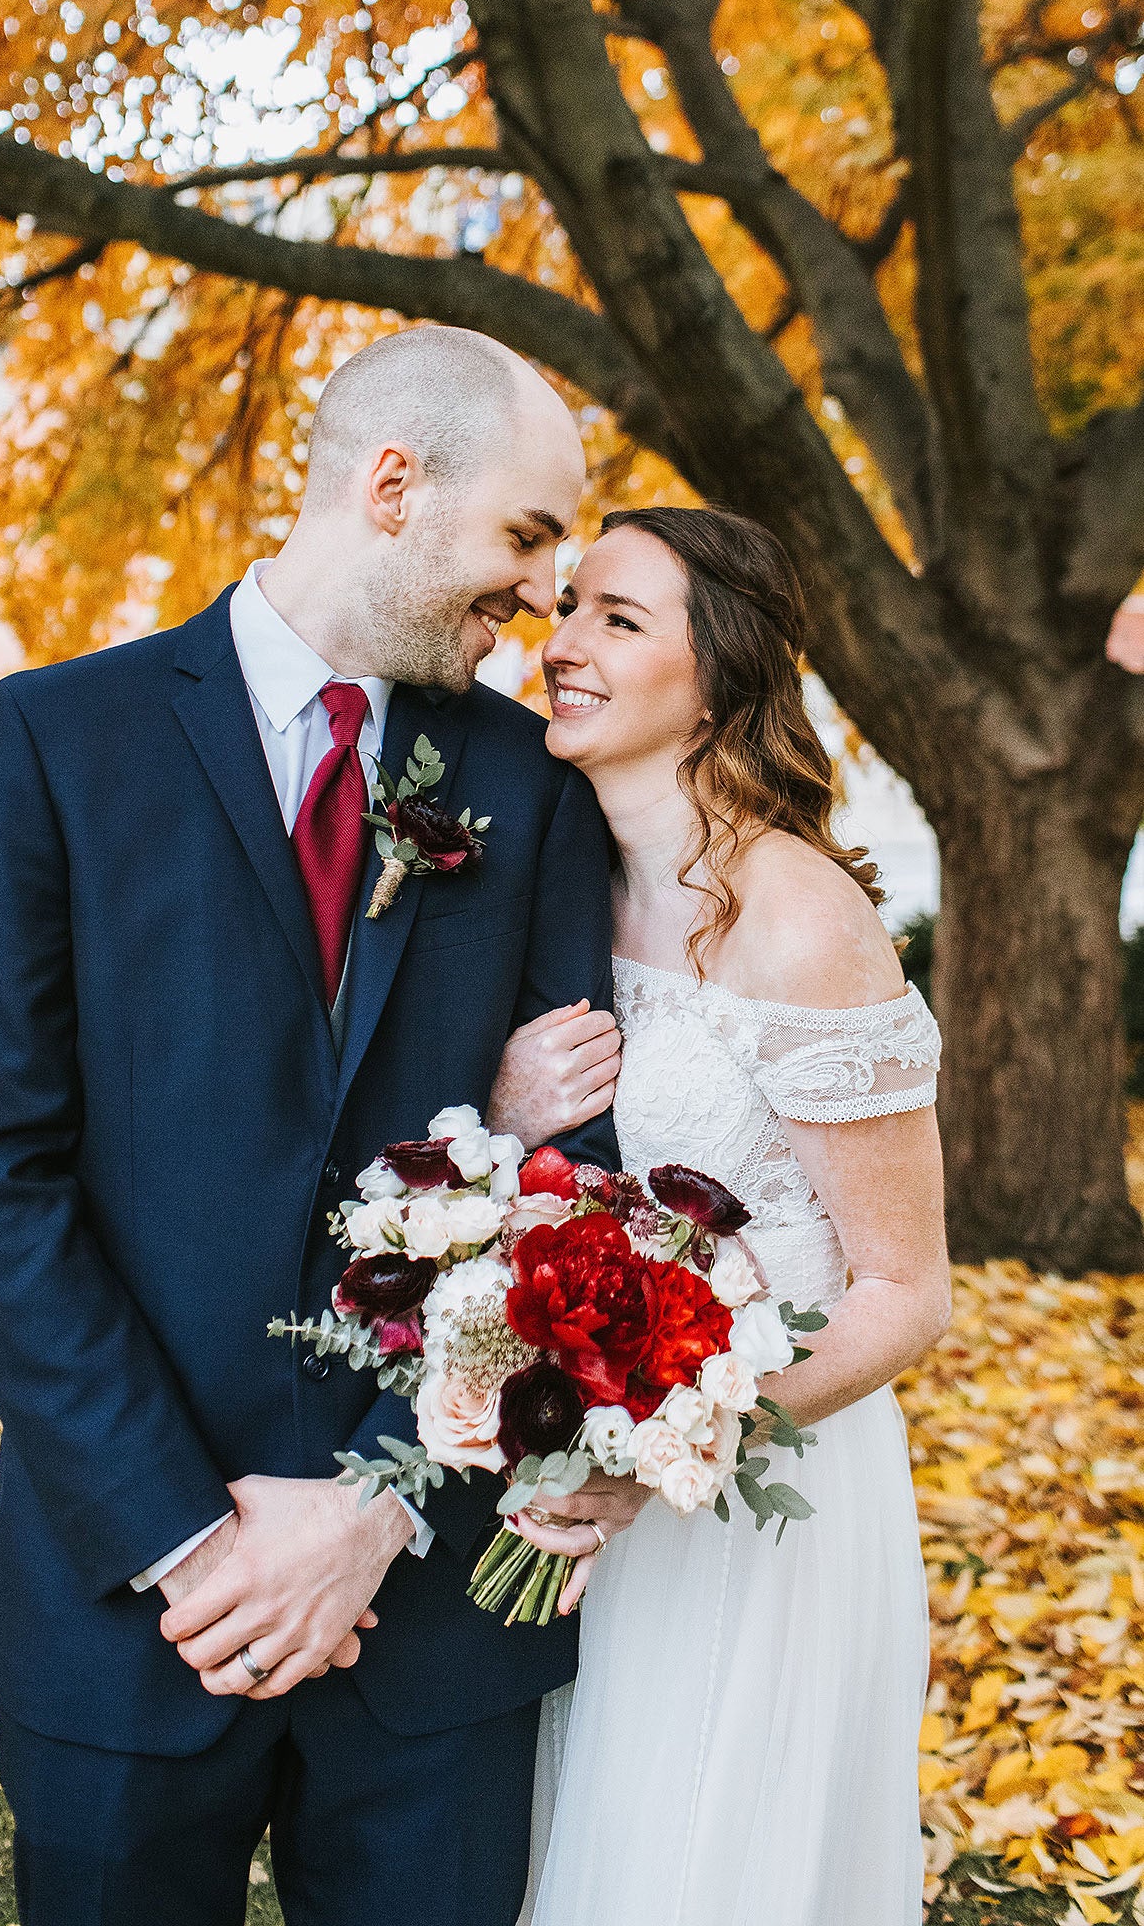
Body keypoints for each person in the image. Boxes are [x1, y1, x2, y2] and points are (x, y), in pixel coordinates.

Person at [0, 326, 624, 1926]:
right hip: (132, 1593)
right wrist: (185, 1539)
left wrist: (382, 1500)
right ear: (392, 485)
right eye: (523, 536)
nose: (536, 594)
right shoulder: (55, 740)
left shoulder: (527, 780)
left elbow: (575, 1179)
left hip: (431, 1616)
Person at [488, 506, 950, 1925]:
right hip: (599, 1488)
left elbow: (903, 1294)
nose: (560, 644)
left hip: (758, 1504)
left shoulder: (799, 920)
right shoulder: (567, 874)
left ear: (721, 674)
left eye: (617, 620)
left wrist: (671, 1450)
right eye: (566, 605)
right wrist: (504, 1119)